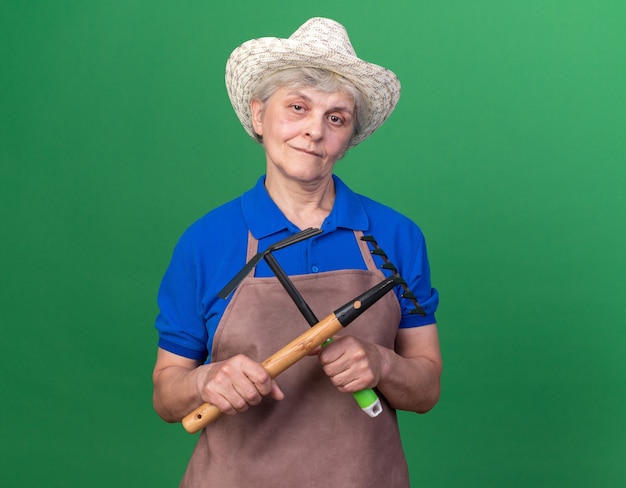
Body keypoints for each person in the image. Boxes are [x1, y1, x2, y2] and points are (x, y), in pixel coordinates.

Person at [152, 17, 441, 488]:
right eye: (298, 107)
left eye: (335, 118)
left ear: (348, 139)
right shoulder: (207, 241)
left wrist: (383, 364)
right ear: (258, 115)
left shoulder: (395, 237)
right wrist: (206, 382)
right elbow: (167, 393)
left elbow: (426, 388)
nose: (314, 131)